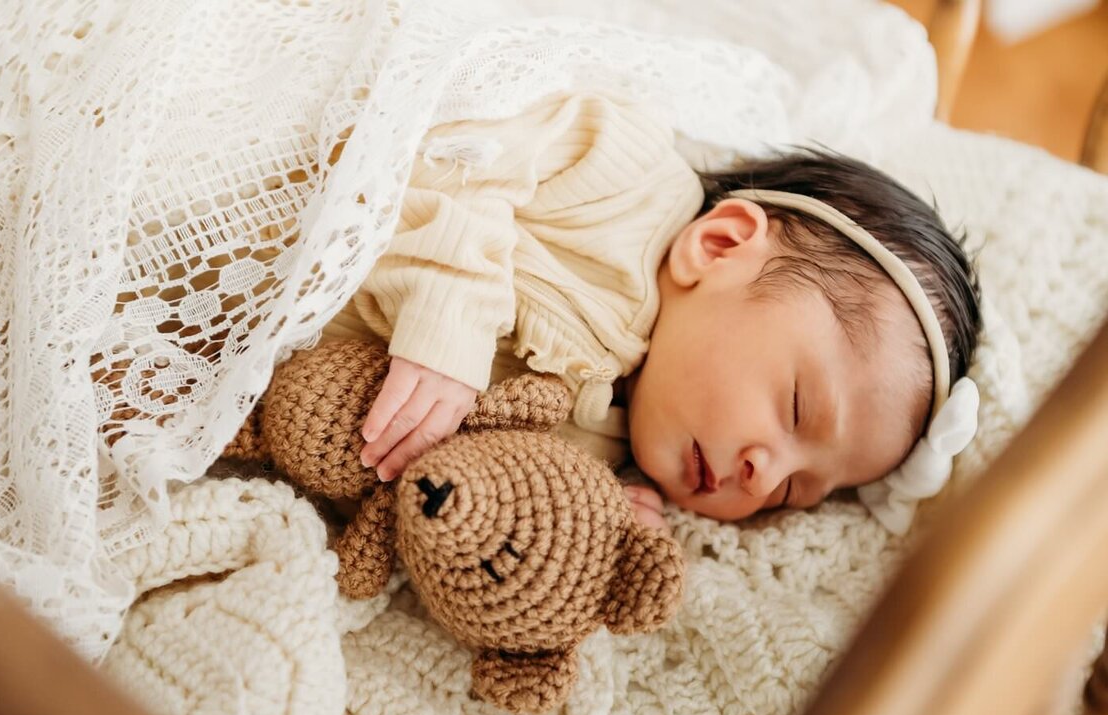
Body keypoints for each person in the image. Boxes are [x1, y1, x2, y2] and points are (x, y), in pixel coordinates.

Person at [318, 92, 982, 532]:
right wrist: (446, 319)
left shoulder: (610, 458)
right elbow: (454, 137)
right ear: (720, 247)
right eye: (797, 409)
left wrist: (576, 516)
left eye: (792, 492)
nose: (764, 473)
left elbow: (441, 496)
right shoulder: (624, 180)